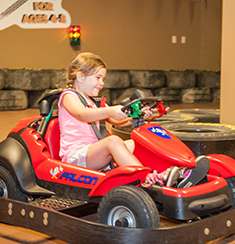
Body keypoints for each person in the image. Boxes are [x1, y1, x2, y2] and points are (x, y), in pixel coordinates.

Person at [58, 52, 208, 188]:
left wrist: (139, 115)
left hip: (93, 153)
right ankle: (148, 178)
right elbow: (82, 114)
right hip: (76, 156)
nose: (102, 83)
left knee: (136, 143)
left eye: (103, 78)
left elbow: (117, 121)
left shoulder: (95, 102)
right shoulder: (69, 96)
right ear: (80, 77)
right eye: (98, 78)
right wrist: (110, 110)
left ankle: (171, 173)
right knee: (113, 141)